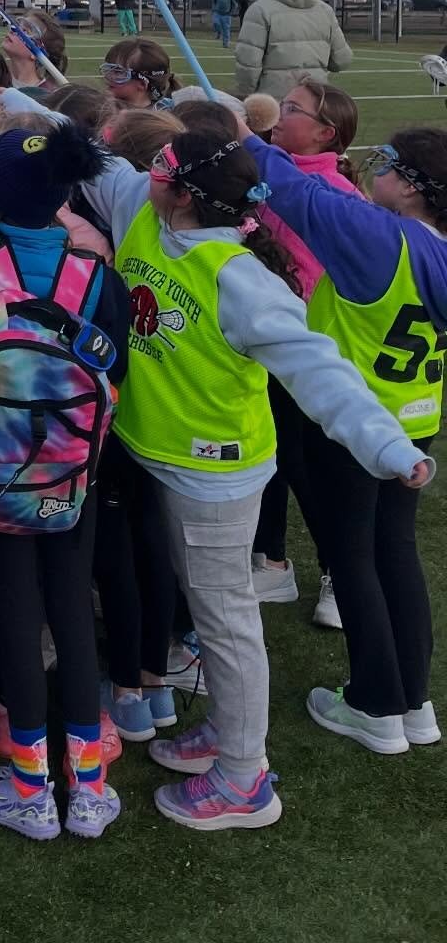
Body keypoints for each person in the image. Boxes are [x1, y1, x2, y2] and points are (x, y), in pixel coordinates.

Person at [85, 102, 432, 830]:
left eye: (162, 168)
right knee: (212, 611)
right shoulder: (140, 205)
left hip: (216, 474)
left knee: (227, 620)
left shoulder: (243, 281)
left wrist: (388, 447)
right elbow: (98, 162)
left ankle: (244, 780)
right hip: (155, 451)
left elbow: (323, 371)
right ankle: (227, 730)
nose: (149, 173)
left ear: (184, 195)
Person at [0, 118, 130, 842]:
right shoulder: (96, 273)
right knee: (70, 606)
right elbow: (118, 370)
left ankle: (30, 785)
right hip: (72, 469)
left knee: (14, 608)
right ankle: (89, 784)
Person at [242, 121, 447, 755]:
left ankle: (375, 704)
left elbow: (295, 193)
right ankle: (413, 702)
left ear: (412, 187)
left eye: (387, 160)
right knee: (395, 551)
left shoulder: (385, 239)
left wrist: (241, 133)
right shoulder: (427, 243)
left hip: (353, 421)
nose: (374, 167)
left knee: (352, 554)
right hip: (416, 418)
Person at [250, 81, 362, 623]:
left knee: (305, 464)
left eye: (293, 109)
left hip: (307, 343)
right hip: (263, 334)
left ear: (325, 133)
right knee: (271, 452)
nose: (280, 113)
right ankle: (271, 562)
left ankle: (337, 571)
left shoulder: (333, 192)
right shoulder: (274, 171)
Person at [235, 0, 352, 100]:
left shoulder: (260, 10)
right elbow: (342, 60)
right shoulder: (325, 11)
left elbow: (248, 64)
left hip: (274, 103)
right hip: (314, 101)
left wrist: (245, 94)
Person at [1, 12, 68, 101]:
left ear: (36, 54)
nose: (13, 30)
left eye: (25, 31)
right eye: (18, 26)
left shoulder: (46, 98)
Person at [101, 38, 178, 111]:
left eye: (118, 72)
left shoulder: (160, 117)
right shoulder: (103, 109)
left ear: (142, 84)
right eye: (109, 69)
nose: (109, 76)